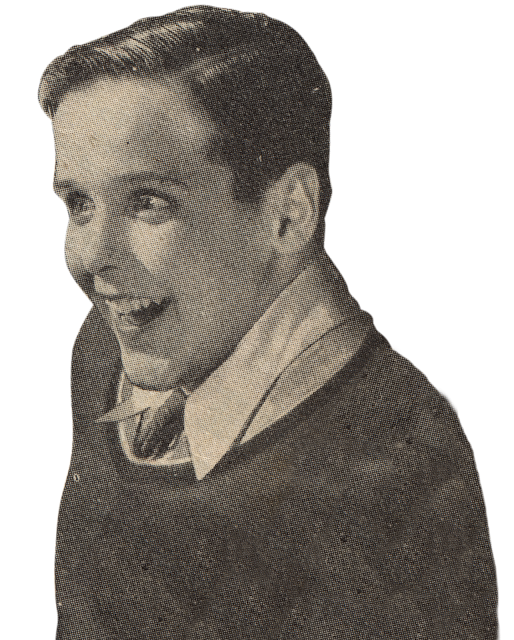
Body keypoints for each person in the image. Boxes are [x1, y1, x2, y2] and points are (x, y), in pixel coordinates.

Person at [40, 6, 499, 639]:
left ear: (287, 216)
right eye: (79, 204)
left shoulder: (398, 468)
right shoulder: (104, 356)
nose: (93, 258)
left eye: (148, 203)